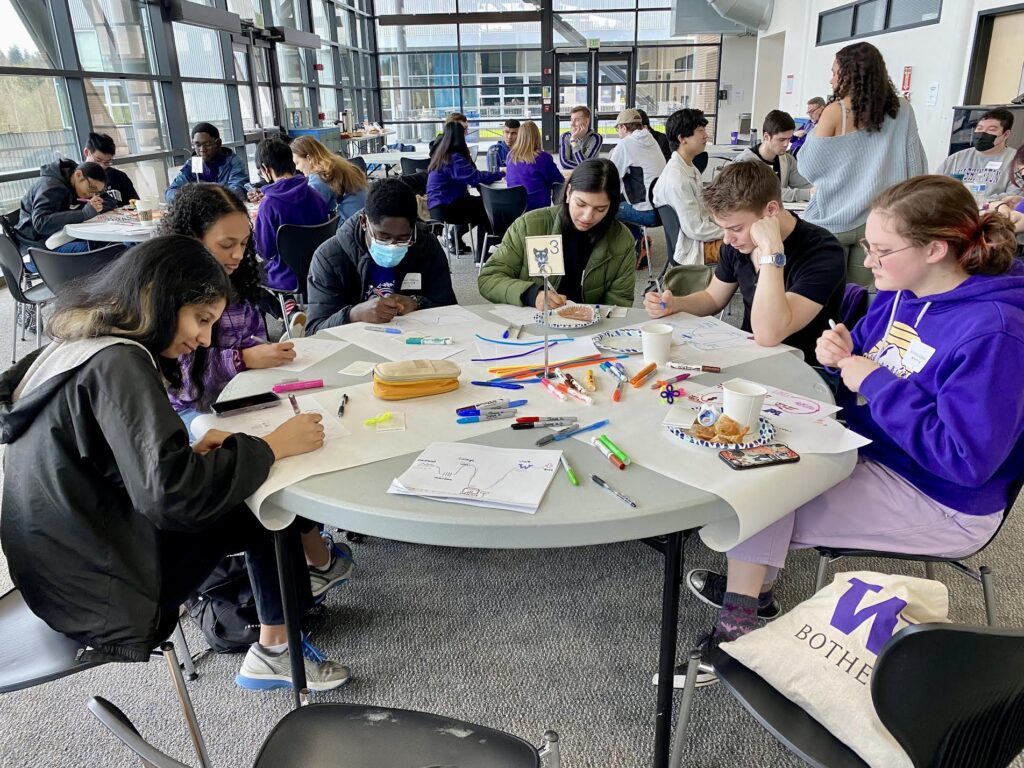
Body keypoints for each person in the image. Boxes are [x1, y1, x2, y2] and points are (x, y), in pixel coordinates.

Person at [678, 175, 1024, 689]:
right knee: (762, 464)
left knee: (762, 500)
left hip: (942, 498)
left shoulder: (995, 331)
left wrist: (871, 378)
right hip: (871, 450)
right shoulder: (902, 292)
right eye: (868, 245)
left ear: (934, 249)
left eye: (882, 249)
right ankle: (755, 592)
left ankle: (739, 627)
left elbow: (965, 458)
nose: (868, 260)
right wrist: (839, 354)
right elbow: (860, 354)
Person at [0, 236, 354, 690]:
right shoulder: (120, 362)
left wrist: (195, 457)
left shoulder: (78, 340)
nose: (205, 338)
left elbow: (115, 464)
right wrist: (270, 448)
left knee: (241, 481)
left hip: (60, 569)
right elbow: (173, 497)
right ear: (157, 297)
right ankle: (276, 649)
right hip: (105, 591)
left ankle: (293, 611)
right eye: (202, 319)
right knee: (268, 504)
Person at [644, 161, 845, 361]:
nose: (727, 239)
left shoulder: (823, 252)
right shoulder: (737, 245)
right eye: (723, 228)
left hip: (804, 369)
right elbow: (713, 298)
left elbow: (769, 334)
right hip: (749, 356)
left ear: (771, 210)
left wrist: (771, 252)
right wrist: (677, 304)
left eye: (736, 228)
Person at [158, 183, 296, 435]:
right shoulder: (168, 295)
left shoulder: (237, 286)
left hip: (236, 400)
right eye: (226, 245)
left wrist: (263, 351)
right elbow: (182, 384)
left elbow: (254, 337)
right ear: (192, 240)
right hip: (189, 412)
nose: (238, 255)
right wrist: (241, 359)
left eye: (243, 244)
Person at [798, 41, 927, 289]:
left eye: (835, 72)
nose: (831, 79)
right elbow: (916, 167)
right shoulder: (903, 110)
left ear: (851, 75)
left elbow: (808, 167)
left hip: (831, 219)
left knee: (824, 297)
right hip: (879, 223)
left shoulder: (836, 111)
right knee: (864, 299)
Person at [478, 158, 635, 308]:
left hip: (591, 327)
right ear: (568, 192)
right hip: (535, 324)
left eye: (600, 209)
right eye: (581, 204)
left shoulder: (621, 239)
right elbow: (489, 279)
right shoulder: (529, 226)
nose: (587, 217)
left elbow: (620, 302)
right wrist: (531, 294)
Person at [306, 177, 457, 331]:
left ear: (414, 228)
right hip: (355, 348)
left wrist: (417, 303)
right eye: (383, 237)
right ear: (364, 222)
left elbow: (450, 309)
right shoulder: (330, 258)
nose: (392, 246)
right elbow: (315, 331)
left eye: (403, 239)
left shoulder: (426, 246)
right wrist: (353, 315)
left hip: (413, 341)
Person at [252, 137, 331, 336]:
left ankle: (287, 311)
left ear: (265, 170)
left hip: (286, 275)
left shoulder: (269, 204)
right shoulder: (315, 194)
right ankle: (292, 309)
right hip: (318, 268)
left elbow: (265, 250)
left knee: (246, 279)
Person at [652, 109, 723, 266]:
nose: (706, 135)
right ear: (682, 138)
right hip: (695, 247)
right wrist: (730, 232)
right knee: (751, 244)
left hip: (698, 238)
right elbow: (695, 229)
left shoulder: (688, 167)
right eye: (700, 131)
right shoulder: (677, 178)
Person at [426, 121, 503, 262]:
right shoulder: (454, 158)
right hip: (447, 206)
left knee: (478, 206)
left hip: (437, 206)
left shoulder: (441, 155)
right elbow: (475, 178)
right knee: (486, 206)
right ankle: (484, 254)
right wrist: (500, 174)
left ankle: (483, 249)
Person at [14, 159, 112, 254]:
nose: (93, 195)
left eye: (97, 192)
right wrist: (83, 214)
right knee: (100, 251)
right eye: (92, 188)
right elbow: (41, 222)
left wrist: (97, 205)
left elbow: (109, 200)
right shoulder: (50, 187)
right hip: (36, 248)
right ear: (78, 175)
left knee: (108, 244)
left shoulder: (74, 179)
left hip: (60, 238)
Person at [609, 108, 667, 244]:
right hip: (663, 210)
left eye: (618, 129)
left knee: (605, 210)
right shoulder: (652, 140)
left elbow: (610, 177)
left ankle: (634, 243)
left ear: (623, 127)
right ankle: (638, 241)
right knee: (624, 200)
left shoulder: (625, 144)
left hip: (647, 213)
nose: (618, 133)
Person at [936, 108, 1017, 199]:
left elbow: (1015, 198)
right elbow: (934, 188)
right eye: (979, 128)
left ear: (1006, 134)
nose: (982, 133)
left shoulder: (1016, 161)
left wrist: (981, 202)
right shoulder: (956, 158)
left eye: (991, 130)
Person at [735, 110, 814, 203]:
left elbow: (806, 186)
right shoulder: (745, 162)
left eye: (789, 139)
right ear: (766, 137)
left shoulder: (788, 160)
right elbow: (766, 193)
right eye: (781, 139)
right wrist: (808, 193)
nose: (786, 144)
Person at [290, 134, 368, 228]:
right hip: (363, 221)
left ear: (309, 158)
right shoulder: (337, 164)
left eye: (297, 163)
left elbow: (311, 211)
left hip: (349, 228)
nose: (297, 168)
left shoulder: (320, 175)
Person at [165, 122, 249, 202]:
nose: (202, 150)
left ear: (218, 143)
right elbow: (170, 193)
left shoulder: (232, 162)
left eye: (207, 145)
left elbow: (238, 191)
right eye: (197, 145)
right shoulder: (195, 162)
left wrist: (206, 199)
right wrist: (188, 197)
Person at [505, 120, 565, 211]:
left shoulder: (510, 156)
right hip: (539, 211)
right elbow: (559, 180)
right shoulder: (543, 158)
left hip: (515, 211)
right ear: (537, 137)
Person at [82, 132, 138, 207]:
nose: (102, 166)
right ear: (87, 152)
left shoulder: (119, 177)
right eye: (98, 160)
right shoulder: (76, 180)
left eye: (107, 162)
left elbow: (135, 204)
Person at [559, 105, 603, 170]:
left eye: (577, 120)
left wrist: (573, 141)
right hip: (569, 175)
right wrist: (584, 167)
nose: (572, 124)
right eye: (571, 120)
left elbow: (586, 165)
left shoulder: (596, 138)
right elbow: (564, 163)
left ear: (586, 121)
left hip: (587, 176)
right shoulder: (565, 136)